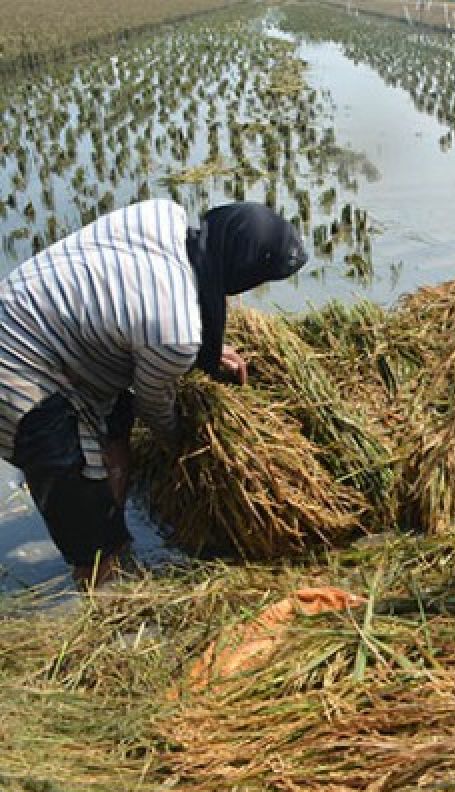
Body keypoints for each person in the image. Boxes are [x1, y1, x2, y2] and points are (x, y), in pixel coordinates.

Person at [0, 199, 308, 588]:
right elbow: (154, 407)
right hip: (15, 367)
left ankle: (115, 540)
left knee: (116, 429)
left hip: (28, 311)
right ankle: (100, 603)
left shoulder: (162, 214)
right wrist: (183, 442)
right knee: (77, 497)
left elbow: (135, 301)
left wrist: (200, 349)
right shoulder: (174, 330)